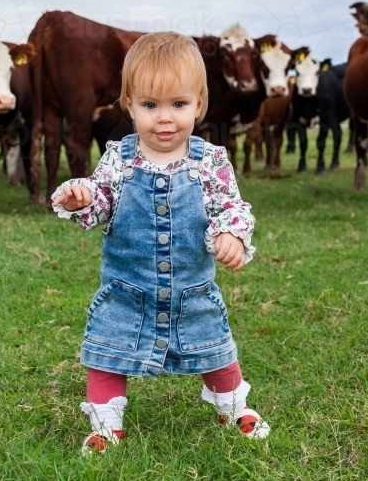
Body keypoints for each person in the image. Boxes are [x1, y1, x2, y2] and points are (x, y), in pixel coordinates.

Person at [52, 31, 270, 454]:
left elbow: (232, 207)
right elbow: (101, 200)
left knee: (215, 347)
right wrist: (82, 198)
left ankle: (232, 404)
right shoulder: (118, 158)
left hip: (191, 290)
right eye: (150, 106)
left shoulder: (211, 162)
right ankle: (104, 424)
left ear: (199, 105)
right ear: (129, 105)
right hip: (125, 289)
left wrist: (231, 234)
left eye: (178, 105)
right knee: (106, 349)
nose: (165, 118)